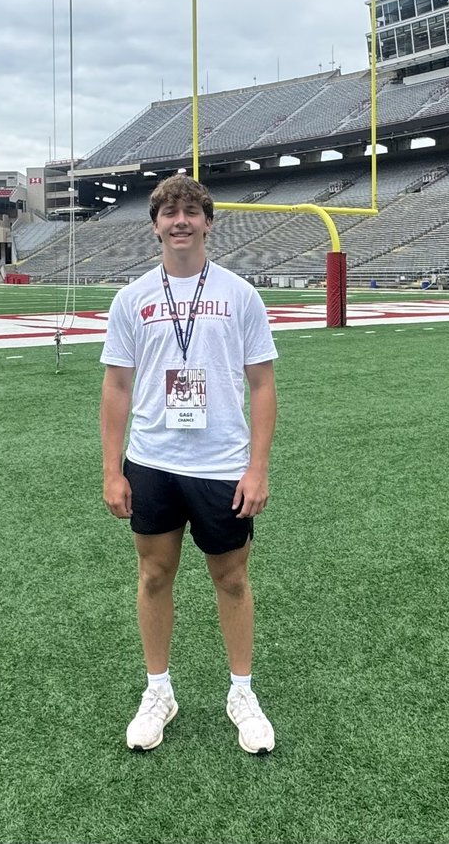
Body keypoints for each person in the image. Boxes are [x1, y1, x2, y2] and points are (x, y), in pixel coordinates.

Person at [100, 175, 278, 754]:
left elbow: (262, 384)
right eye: (169, 212)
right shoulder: (132, 298)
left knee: (231, 578)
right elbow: (117, 387)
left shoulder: (239, 294)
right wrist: (112, 468)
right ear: (155, 225)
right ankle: (159, 691)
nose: (180, 221)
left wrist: (257, 468)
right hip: (151, 459)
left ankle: (242, 692)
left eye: (191, 212)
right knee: (154, 575)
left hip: (222, 461)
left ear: (208, 222)